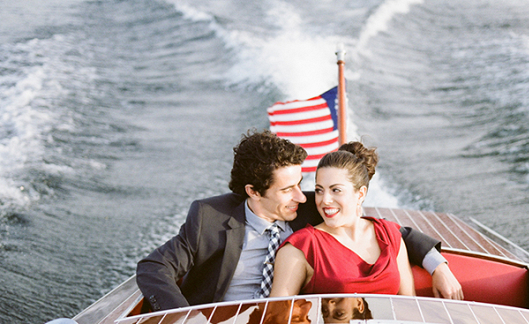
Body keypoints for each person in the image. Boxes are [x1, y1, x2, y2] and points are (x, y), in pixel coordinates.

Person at [136, 130, 462, 312]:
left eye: (301, 184)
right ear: (253, 191)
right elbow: (154, 268)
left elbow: (392, 233)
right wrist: (184, 320)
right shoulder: (209, 218)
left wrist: (437, 264)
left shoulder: (309, 209)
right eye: (289, 188)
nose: (304, 196)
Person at [270, 142, 415, 298]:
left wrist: (438, 265)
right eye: (319, 190)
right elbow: (277, 316)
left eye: (336, 190)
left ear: (360, 194)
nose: (325, 200)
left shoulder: (389, 234)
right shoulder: (300, 248)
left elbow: (409, 304)